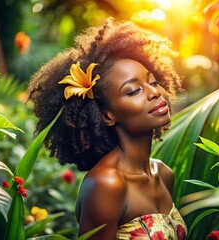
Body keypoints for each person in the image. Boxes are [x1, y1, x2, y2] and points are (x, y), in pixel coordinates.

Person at [27, 17, 186, 239]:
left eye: (152, 81)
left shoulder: (164, 174)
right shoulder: (107, 184)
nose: (154, 92)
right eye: (133, 91)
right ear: (107, 115)